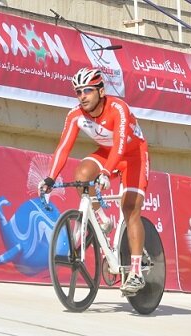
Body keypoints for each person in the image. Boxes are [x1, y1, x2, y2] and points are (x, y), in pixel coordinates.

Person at [39, 67, 150, 294]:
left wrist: (107, 173)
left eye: (87, 90)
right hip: (107, 152)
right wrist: (50, 177)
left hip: (132, 155)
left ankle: (136, 272)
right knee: (81, 176)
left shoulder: (118, 108)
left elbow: (120, 144)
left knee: (130, 209)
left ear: (101, 91)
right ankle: (101, 219)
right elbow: (63, 147)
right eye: (78, 92)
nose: (82, 96)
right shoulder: (75, 115)